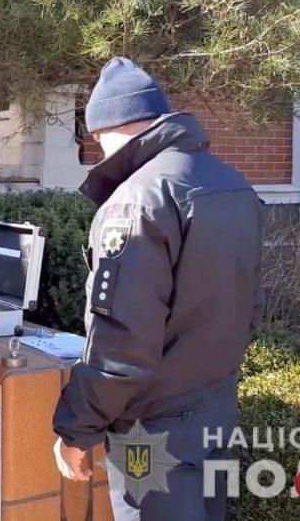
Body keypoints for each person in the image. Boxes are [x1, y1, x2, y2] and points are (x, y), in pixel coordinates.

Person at [51, 57, 263, 520]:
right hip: (215, 412)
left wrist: (76, 430)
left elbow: (121, 345)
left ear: (106, 128)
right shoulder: (232, 185)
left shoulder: (137, 201)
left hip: (152, 433)